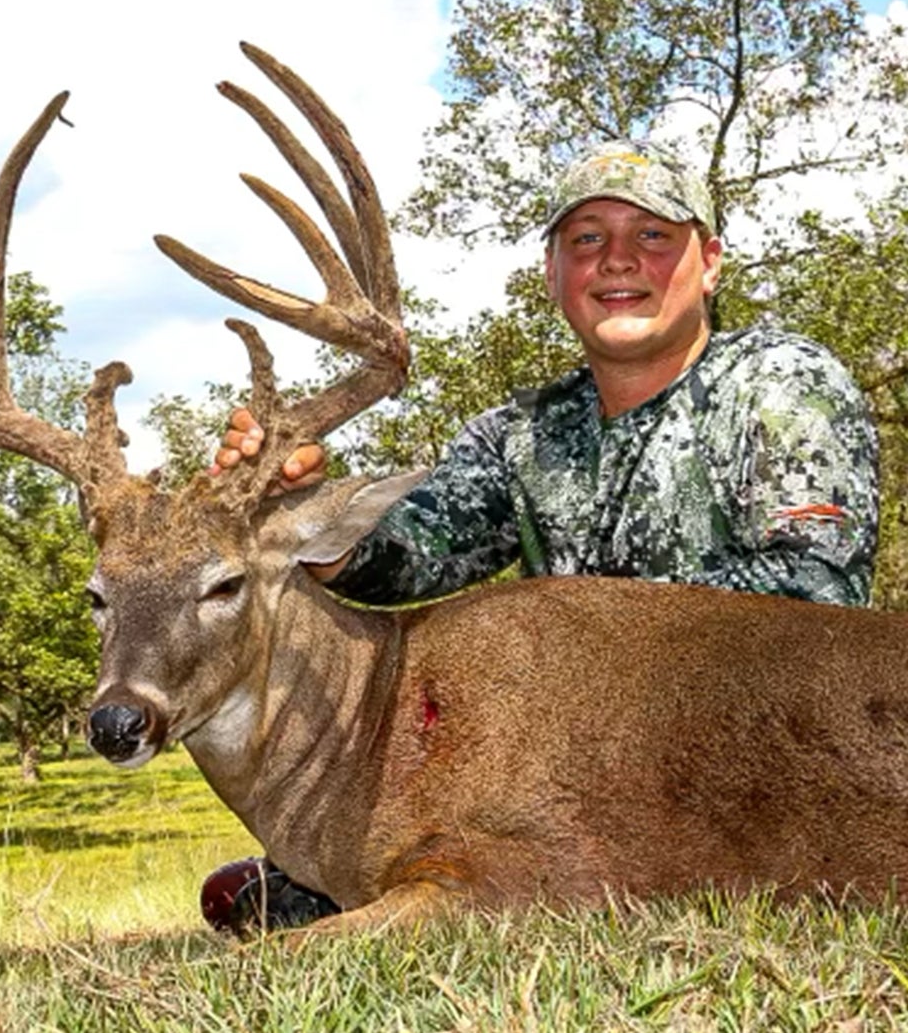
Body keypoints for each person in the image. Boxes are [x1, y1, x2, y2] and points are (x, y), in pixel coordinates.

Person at [200, 139, 882, 934]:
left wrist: (573, 653)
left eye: (654, 236)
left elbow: (816, 601)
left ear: (712, 261)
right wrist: (301, 509)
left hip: (754, 748)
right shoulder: (520, 434)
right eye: (587, 239)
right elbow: (411, 551)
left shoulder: (779, 383)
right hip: (579, 780)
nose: (618, 261)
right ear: (553, 273)